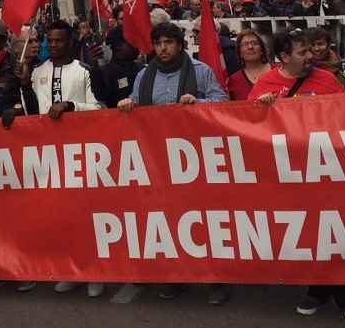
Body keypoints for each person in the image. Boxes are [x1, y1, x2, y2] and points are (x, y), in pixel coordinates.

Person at [247, 30, 345, 321]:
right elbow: (246, 124)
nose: (310, 57)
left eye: (311, 50)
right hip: (292, 175)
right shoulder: (266, 83)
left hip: (329, 168)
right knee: (313, 233)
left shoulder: (327, 80)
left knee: (340, 231)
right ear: (284, 57)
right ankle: (318, 290)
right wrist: (262, 110)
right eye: (302, 52)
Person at [117, 21, 228, 304]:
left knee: (202, 218)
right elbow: (136, 101)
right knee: (168, 218)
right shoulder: (145, 75)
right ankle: (176, 276)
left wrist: (198, 103)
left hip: (194, 157)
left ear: (179, 45)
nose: (163, 48)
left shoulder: (200, 72)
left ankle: (215, 280)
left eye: (168, 42)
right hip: (157, 158)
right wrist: (128, 104)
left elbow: (223, 103)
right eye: (158, 43)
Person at [23, 21, 102, 297]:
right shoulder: (35, 73)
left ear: (70, 42)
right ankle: (71, 271)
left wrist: (72, 106)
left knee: (85, 213)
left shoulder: (85, 71)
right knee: (61, 215)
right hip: (47, 155)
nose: (54, 45)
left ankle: (95, 272)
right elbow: (29, 110)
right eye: (50, 41)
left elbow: (100, 108)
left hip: (80, 151)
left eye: (59, 41)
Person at [89, 26, 142, 109]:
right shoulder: (105, 72)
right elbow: (101, 96)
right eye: (132, 42)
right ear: (119, 46)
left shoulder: (141, 69)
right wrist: (95, 67)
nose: (136, 46)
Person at [226, 30, 271, 101]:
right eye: (245, 44)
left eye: (255, 43)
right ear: (240, 53)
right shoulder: (234, 80)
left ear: (262, 50)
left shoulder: (279, 70)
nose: (250, 47)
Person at [305, 28, 345, 92]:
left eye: (320, 44)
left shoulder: (337, 65)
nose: (316, 49)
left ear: (328, 45)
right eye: (312, 45)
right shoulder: (301, 70)